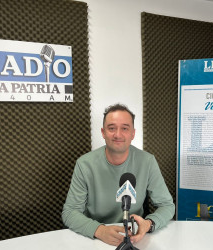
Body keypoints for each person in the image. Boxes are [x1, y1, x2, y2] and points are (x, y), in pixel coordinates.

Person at [62, 103, 175, 246]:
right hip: (96, 240)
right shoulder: (85, 164)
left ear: (133, 133)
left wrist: (149, 224)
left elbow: (167, 205)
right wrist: (99, 230)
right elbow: (70, 212)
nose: (118, 134)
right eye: (111, 128)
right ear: (103, 132)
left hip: (134, 239)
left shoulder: (147, 161)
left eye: (125, 128)